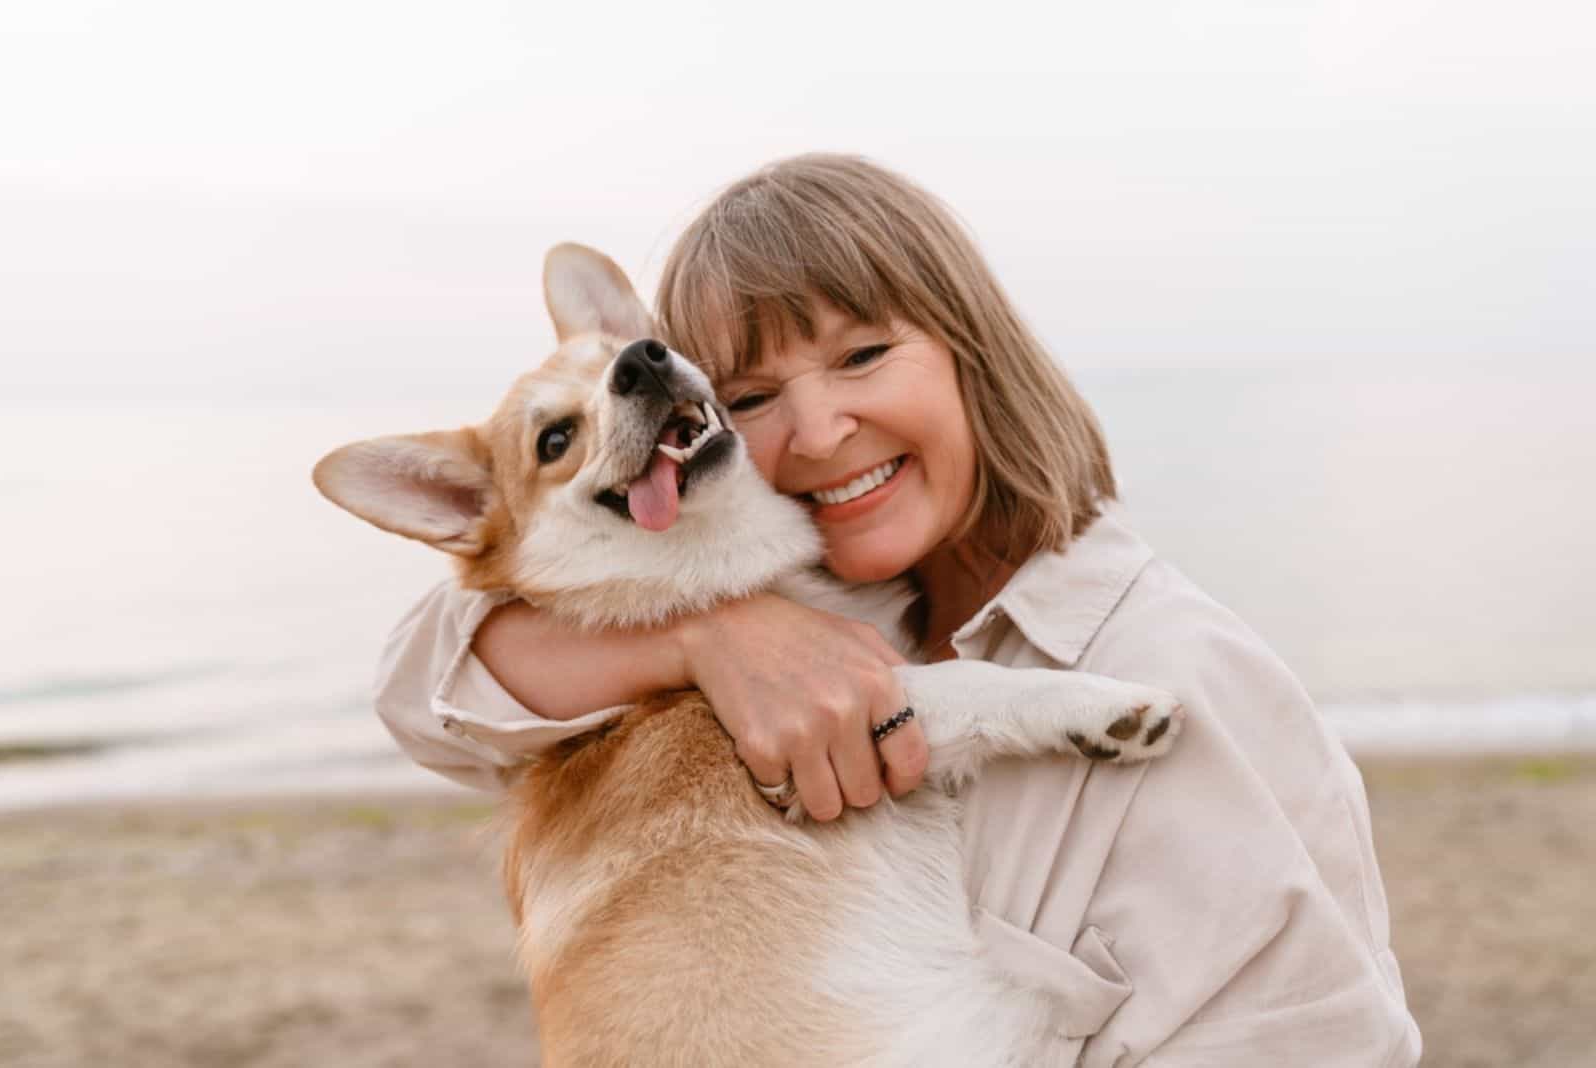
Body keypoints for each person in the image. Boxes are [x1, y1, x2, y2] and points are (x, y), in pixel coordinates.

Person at [375, 154, 1420, 1065]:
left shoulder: (1178, 674)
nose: (820, 432)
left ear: (973, 351)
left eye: (863, 356)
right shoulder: (748, 612)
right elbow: (420, 686)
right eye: (747, 397)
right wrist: (702, 635)